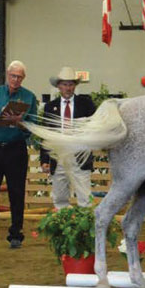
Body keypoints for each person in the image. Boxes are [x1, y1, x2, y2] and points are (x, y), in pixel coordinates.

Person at [0, 60, 38, 249]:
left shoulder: (29, 97)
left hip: (16, 147)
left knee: (17, 192)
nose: (16, 80)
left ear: (23, 78)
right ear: (7, 75)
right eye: (13, 76)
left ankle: (15, 235)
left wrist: (20, 122)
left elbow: (33, 125)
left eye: (20, 77)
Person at [40, 66, 96, 209]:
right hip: (58, 157)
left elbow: (94, 128)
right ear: (59, 86)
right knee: (59, 198)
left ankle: (85, 229)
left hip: (80, 156)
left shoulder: (87, 104)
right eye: (64, 84)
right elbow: (46, 134)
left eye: (71, 84)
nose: (68, 88)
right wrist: (45, 159)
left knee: (85, 198)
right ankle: (63, 227)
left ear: (75, 86)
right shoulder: (50, 107)